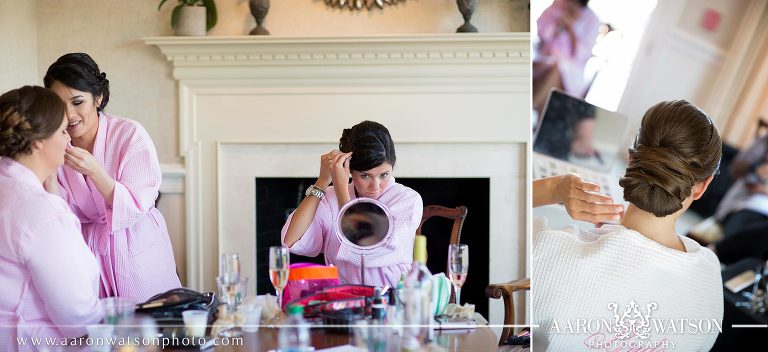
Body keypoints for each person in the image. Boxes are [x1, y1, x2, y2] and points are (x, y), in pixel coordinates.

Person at [532, 100, 723, 350]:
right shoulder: (708, 278)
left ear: (631, 159)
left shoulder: (546, 250)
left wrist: (551, 189)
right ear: (702, 186)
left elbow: (470, 213)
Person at [43, 53, 181, 303]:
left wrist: (95, 170)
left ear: (99, 98)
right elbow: (56, 211)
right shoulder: (54, 144)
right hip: (87, 252)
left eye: (77, 102)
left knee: (151, 332)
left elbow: (138, 204)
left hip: (135, 247)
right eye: (58, 104)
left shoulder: (129, 135)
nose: (69, 114)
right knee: (97, 337)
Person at [0, 86, 103, 347]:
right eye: (62, 131)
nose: (68, 139)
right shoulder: (44, 215)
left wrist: (50, 182)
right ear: (38, 141)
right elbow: (78, 319)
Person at [281, 121, 423, 287]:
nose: (375, 187)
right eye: (365, 176)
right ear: (349, 170)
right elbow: (291, 240)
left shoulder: (407, 200)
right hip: (342, 301)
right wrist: (323, 181)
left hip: (392, 301)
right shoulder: (330, 197)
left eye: (384, 174)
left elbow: (367, 251)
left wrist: (342, 191)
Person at [708, 134, 768, 263]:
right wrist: (755, 168)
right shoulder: (765, 143)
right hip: (747, 204)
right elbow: (735, 169)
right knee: (745, 237)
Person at [533, 0, 600, 113]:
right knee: (549, 73)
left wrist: (571, 27)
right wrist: (559, 24)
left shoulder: (592, 19)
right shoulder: (558, 4)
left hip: (570, 71)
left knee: (556, 71)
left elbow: (583, 54)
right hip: (544, 57)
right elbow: (542, 32)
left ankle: (532, 105)